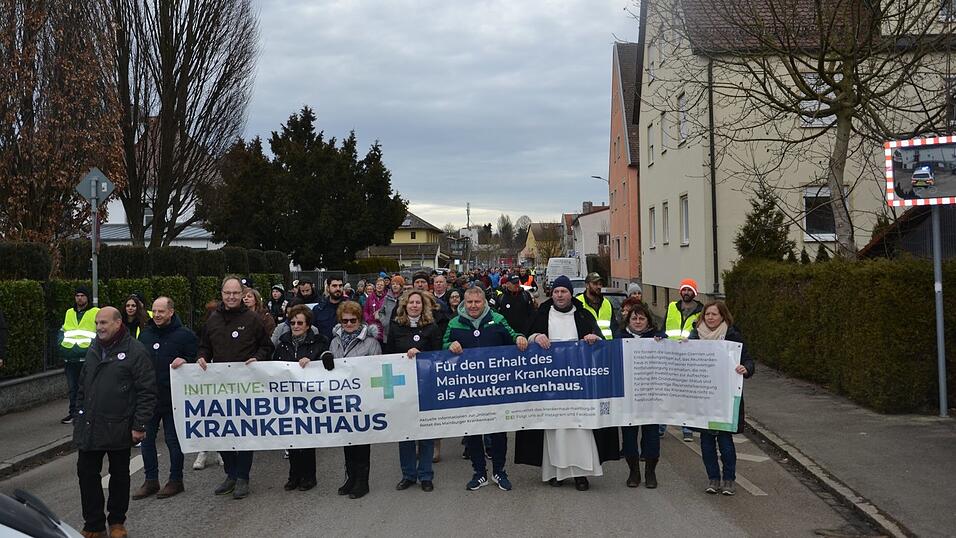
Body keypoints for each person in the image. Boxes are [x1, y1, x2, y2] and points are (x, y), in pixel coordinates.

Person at [515, 276, 618, 491]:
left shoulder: (583, 315)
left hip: (579, 385)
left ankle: (581, 475)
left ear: (571, 294)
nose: (559, 295)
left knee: (580, 429)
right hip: (551, 385)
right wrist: (535, 337)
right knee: (555, 430)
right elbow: (524, 338)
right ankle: (557, 473)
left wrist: (593, 339)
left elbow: (600, 342)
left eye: (563, 291)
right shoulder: (542, 314)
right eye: (556, 291)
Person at [73, 307, 156, 538]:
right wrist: (78, 415)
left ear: (118, 323)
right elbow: (83, 385)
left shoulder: (135, 351)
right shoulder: (93, 348)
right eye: (97, 323)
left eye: (104, 323)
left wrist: (139, 425)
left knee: (120, 476)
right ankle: (93, 524)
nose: (99, 327)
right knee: (87, 475)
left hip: (120, 425)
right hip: (90, 425)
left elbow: (147, 391)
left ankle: (117, 522)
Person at [195, 275, 273, 500]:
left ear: (242, 294)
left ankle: (243, 477)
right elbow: (204, 347)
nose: (231, 297)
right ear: (222, 294)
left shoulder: (252, 319)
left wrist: (258, 357)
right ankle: (230, 473)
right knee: (223, 431)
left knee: (244, 432)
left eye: (235, 293)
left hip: (245, 386)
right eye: (227, 293)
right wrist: (201, 357)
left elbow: (266, 347)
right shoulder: (212, 319)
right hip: (219, 387)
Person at [445, 287, 529, 491]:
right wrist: (449, 345)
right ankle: (479, 473)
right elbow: (443, 346)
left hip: (495, 388)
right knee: (473, 431)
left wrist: (519, 337)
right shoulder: (454, 323)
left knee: (498, 431)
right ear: (464, 303)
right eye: (470, 302)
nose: (473, 306)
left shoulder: (498, 319)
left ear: (484, 302)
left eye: (477, 302)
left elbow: (512, 336)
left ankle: (499, 472)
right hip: (468, 388)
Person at [134, 297, 198, 501]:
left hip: (173, 399)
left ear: (171, 312)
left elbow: (199, 359)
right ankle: (151, 480)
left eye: (161, 311)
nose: (157, 315)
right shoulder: (145, 335)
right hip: (149, 399)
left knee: (173, 441)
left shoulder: (185, 335)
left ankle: (176, 480)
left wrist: (187, 360)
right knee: (147, 441)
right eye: (154, 311)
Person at [688, 301, 754, 496]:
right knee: (706, 442)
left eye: (714, 314)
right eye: (707, 314)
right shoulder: (694, 337)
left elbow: (749, 361)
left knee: (725, 442)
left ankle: (729, 480)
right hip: (703, 397)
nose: (710, 318)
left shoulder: (733, 337)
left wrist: (746, 369)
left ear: (723, 317)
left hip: (725, 397)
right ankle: (713, 479)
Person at [272, 305, 333, 492]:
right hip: (289, 398)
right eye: (292, 323)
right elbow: (274, 365)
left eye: (300, 323)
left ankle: (309, 476)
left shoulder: (319, 341)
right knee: (292, 439)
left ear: (308, 325)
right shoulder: (283, 343)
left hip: (310, 399)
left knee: (307, 439)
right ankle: (293, 475)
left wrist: (313, 361)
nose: (296, 326)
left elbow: (327, 361)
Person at [386, 291, 443, 492]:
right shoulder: (395, 326)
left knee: (425, 432)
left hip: (425, 386)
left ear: (423, 305)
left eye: (418, 302)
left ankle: (425, 475)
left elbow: (438, 356)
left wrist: (422, 356)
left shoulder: (431, 327)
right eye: (411, 302)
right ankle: (408, 474)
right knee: (406, 433)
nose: (415, 305)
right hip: (402, 388)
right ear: (405, 304)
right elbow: (388, 356)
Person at [329, 301, 382, 499]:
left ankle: (362, 481)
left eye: (353, 320)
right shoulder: (335, 341)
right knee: (348, 441)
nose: (349, 324)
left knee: (361, 442)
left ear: (359, 320)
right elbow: (330, 367)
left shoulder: (370, 343)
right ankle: (350, 478)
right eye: (345, 321)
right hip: (342, 399)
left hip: (363, 399)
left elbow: (377, 370)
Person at [613, 302, 666, 488]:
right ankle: (633, 472)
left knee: (651, 436)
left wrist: (664, 340)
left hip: (650, 396)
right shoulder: (619, 338)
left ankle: (650, 472)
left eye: (641, 318)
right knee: (629, 437)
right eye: (634, 318)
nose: (637, 321)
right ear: (628, 320)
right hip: (627, 396)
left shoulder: (658, 338)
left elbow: (673, 352)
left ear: (648, 321)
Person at [662, 278, 704, 442]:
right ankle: (661, 427)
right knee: (666, 393)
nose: (686, 293)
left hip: (689, 358)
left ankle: (687, 428)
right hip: (670, 356)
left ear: (694, 293)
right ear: (680, 292)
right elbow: (664, 327)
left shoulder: (701, 310)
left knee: (687, 395)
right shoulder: (672, 307)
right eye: (684, 290)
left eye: (689, 290)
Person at [60, 285, 100, 425]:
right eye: (77, 295)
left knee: (87, 387)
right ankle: (74, 413)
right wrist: (62, 347)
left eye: (82, 295)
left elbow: (100, 332)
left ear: (87, 298)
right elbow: (63, 331)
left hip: (87, 358)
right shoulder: (69, 312)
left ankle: (86, 412)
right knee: (72, 388)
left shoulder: (95, 312)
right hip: (71, 358)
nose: (80, 298)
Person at [192, 300, 224, 471]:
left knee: (222, 414)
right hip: (206, 378)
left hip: (223, 378)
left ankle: (221, 450)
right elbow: (200, 349)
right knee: (206, 414)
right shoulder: (204, 330)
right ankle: (203, 451)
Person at [574, 272, 616, 340]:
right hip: (586, 345)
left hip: (607, 345)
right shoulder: (578, 302)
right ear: (587, 285)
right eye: (595, 284)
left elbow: (614, 327)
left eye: (600, 284)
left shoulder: (607, 303)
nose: (599, 287)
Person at [311, 276, 347, 342]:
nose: (338, 288)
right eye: (334, 286)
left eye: (340, 286)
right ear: (328, 288)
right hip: (323, 347)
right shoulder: (318, 309)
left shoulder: (350, 307)